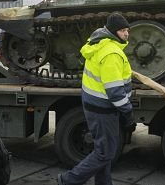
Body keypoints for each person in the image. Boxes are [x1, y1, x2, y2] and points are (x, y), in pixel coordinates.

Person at [58, 13, 135, 185]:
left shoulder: (99, 44)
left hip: (94, 105)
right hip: (104, 109)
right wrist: (128, 112)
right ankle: (68, 180)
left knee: (104, 150)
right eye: (123, 30)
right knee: (105, 153)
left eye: (127, 30)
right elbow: (115, 91)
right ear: (114, 32)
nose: (126, 34)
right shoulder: (112, 54)